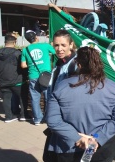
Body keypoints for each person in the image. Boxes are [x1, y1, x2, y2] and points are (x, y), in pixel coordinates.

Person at [46, 46, 115, 161]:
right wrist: (96, 138)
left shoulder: (61, 86)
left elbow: (53, 121)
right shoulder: (114, 87)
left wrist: (78, 137)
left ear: (78, 64)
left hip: (69, 146)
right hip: (101, 146)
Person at [43, 29, 78, 162]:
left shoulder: (75, 65)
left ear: (71, 45)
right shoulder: (59, 64)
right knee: (50, 157)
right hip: (56, 119)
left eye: (63, 45)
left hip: (67, 122)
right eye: (56, 45)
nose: (59, 49)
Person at [21, 30, 55, 125]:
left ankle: (37, 119)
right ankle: (48, 118)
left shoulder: (25, 50)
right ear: (36, 37)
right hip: (46, 76)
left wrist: (32, 64)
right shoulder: (45, 46)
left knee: (35, 98)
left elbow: (23, 65)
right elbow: (55, 52)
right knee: (48, 97)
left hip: (33, 76)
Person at [0, 35, 26, 122]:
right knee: (22, 97)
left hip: (2, 81)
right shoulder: (18, 53)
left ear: (5, 42)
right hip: (17, 80)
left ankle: (8, 117)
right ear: (14, 42)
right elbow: (22, 67)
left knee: (6, 98)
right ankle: (23, 115)